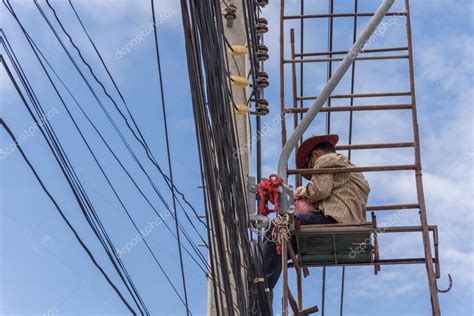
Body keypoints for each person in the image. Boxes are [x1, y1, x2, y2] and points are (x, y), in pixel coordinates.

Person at [262, 134, 370, 298]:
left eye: (311, 165)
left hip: (333, 219)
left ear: (315, 155)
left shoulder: (325, 160)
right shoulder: (352, 170)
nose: (313, 171)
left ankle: (262, 285)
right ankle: (264, 285)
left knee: (275, 228)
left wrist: (299, 192)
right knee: (284, 246)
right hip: (350, 221)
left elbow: (320, 190)